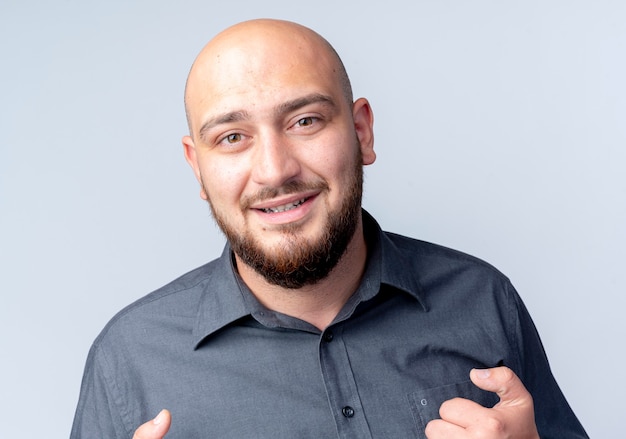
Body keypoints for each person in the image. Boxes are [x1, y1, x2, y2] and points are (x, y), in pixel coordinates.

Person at [71, 19, 588, 439]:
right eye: (232, 137)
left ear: (361, 131)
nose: (275, 171)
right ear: (197, 168)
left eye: (305, 122)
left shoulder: (483, 299)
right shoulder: (129, 358)